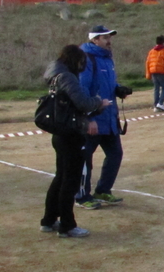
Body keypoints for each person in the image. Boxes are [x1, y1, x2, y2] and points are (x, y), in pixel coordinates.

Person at [41, 45, 111, 238]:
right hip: (71, 133)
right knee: (69, 182)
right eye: (81, 62)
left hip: (61, 133)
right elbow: (83, 103)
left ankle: (49, 220)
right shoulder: (67, 77)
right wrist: (99, 102)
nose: (82, 66)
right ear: (75, 60)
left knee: (60, 177)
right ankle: (67, 225)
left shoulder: (55, 76)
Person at [75, 25, 132, 209]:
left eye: (109, 37)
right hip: (94, 119)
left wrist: (118, 89)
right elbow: (83, 89)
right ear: (95, 40)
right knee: (85, 159)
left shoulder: (108, 59)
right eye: (105, 38)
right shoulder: (86, 58)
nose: (109, 41)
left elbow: (108, 84)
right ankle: (82, 196)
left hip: (109, 118)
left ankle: (103, 190)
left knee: (115, 154)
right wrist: (88, 117)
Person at [145, 35, 164, 112]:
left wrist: (148, 74)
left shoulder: (151, 51)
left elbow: (147, 62)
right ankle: (160, 103)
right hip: (161, 71)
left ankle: (156, 105)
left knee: (156, 88)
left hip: (153, 71)